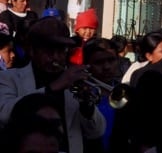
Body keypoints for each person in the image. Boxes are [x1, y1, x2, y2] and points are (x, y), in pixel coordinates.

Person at [0, 16, 106, 153]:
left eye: (62, 50)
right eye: (49, 50)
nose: (56, 57)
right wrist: (54, 87)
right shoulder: (8, 78)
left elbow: (96, 132)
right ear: (32, 50)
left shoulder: (73, 83)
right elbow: (4, 115)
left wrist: (87, 108)